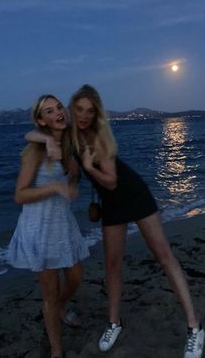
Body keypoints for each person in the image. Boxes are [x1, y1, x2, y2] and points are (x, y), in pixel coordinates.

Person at [25, 86, 204, 358]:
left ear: (96, 112)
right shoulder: (70, 132)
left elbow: (111, 180)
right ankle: (114, 323)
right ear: (72, 110)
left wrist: (88, 166)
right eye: (79, 109)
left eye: (89, 110)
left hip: (133, 194)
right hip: (110, 205)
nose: (83, 115)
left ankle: (194, 327)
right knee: (112, 265)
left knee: (164, 257)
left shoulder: (98, 137)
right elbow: (30, 133)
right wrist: (47, 141)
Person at [8, 94, 89, 358]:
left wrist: (73, 183)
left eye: (58, 107)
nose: (58, 112)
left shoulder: (64, 144)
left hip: (62, 225)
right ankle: (56, 351)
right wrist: (54, 186)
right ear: (41, 120)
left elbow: (74, 174)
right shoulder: (35, 151)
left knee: (76, 277)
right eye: (49, 111)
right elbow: (19, 195)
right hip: (39, 229)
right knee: (50, 293)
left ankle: (62, 308)